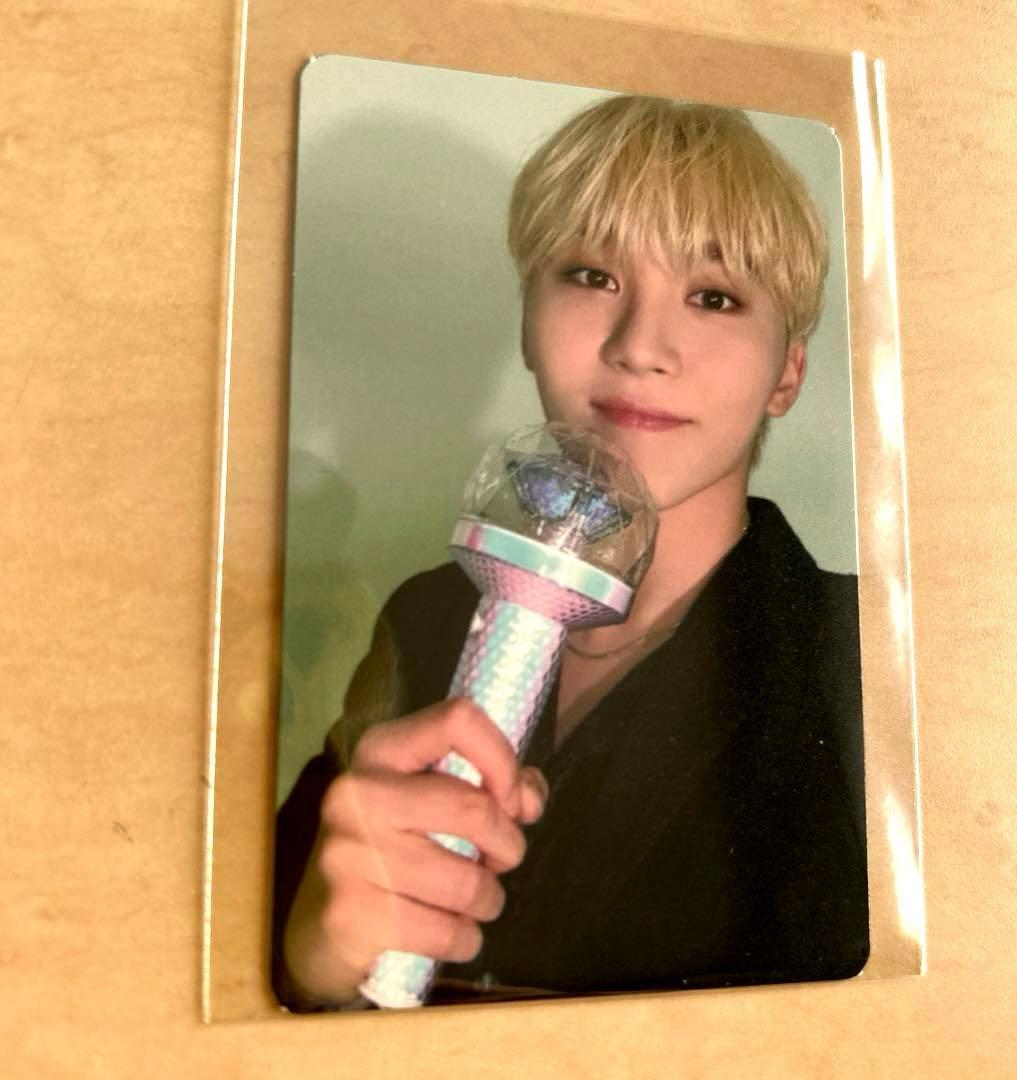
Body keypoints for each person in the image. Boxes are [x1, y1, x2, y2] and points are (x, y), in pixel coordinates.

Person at [273, 95, 869, 1010]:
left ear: (787, 370)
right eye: (592, 276)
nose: (640, 348)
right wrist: (311, 960)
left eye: (714, 296)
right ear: (525, 321)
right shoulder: (426, 615)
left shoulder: (870, 670)